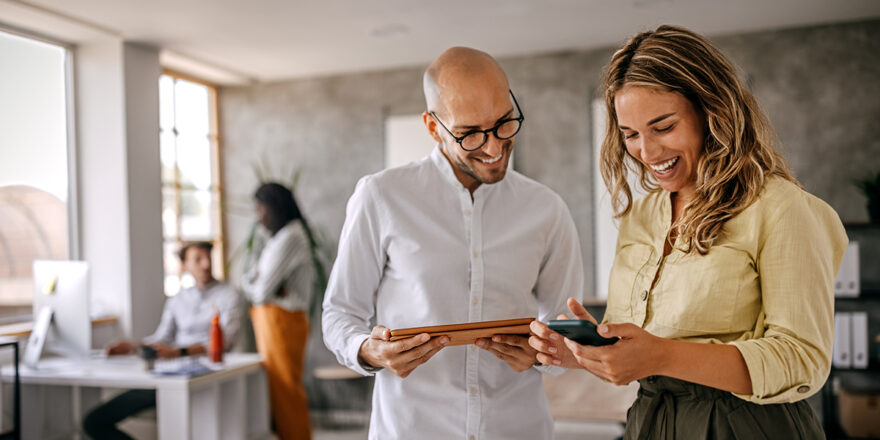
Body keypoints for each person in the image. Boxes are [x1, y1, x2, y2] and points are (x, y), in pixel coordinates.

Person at [529, 25, 847, 439]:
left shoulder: (782, 208)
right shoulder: (640, 216)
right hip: (650, 421)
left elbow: (802, 360)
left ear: (711, 110)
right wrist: (588, 353)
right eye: (630, 135)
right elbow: (642, 351)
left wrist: (660, 355)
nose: (647, 152)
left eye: (663, 127)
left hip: (748, 426)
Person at [322, 46, 584, 440]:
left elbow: (569, 326)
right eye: (469, 134)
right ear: (432, 127)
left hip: (518, 427)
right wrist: (368, 350)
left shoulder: (547, 209)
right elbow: (339, 312)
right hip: (412, 428)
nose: (494, 148)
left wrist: (546, 353)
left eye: (503, 123)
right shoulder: (381, 196)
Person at [83, 241, 242, 440]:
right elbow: (162, 338)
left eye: (208, 258)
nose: (206, 265)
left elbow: (224, 342)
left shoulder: (229, 295)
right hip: (171, 375)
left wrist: (178, 352)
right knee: (94, 421)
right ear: (185, 265)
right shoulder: (177, 300)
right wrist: (134, 346)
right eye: (198, 259)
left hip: (207, 376)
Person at [241, 182, 315, 440]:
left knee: (286, 391)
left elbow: (259, 291)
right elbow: (251, 280)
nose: (258, 216)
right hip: (273, 321)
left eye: (260, 208)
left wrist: (259, 284)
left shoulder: (291, 237)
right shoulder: (278, 238)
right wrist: (260, 284)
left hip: (283, 322)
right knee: (278, 391)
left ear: (274, 207)